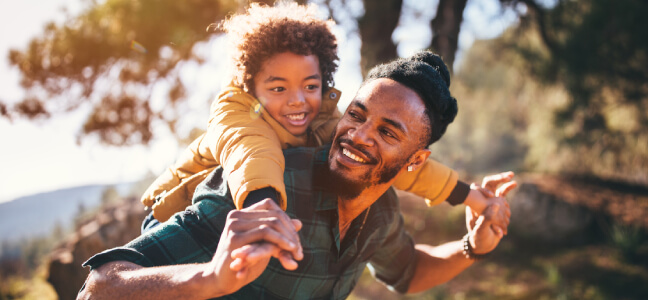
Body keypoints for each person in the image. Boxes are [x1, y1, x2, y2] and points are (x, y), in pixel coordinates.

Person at [78, 51, 516, 299]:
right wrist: (210, 277)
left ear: (416, 160)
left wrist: (471, 247)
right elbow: (99, 288)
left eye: (386, 131)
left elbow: (409, 272)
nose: (357, 135)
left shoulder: (381, 214)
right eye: (357, 115)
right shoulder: (266, 190)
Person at [139, 2, 495, 229]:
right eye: (278, 88)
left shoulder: (327, 118)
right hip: (170, 214)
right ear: (251, 86)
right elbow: (251, 152)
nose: (298, 101)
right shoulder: (237, 114)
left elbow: (396, 162)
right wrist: (262, 205)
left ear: (323, 80)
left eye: (310, 86)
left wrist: (470, 196)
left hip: (241, 212)